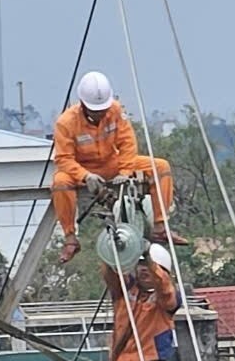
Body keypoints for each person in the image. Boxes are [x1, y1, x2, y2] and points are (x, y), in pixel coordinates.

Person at [51, 70, 174, 262]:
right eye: (95, 110)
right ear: (83, 104)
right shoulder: (66, 123)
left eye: (102, 109)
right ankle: (70, 239)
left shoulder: (115, 111)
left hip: (112, 164)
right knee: (60, 182)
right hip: (82, 169)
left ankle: (160, 226)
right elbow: (64, 159)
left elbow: (127, 143)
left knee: (161, 167)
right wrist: (85, 176)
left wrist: (125, 171)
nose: (100, 114)